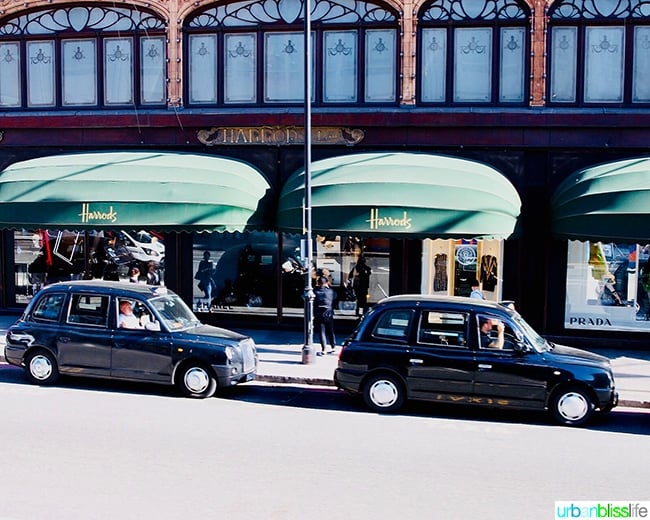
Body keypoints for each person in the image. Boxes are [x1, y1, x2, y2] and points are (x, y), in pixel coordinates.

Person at [313, 276, 336, 356]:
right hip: (329, 313)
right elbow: (335, 297)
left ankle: (324, 349)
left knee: (322, 332)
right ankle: (333, 347)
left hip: (319, 314)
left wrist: (315, 287)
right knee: (331, 331)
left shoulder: (315, 292)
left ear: (318, 283)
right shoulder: (331, 291)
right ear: (326, 283)